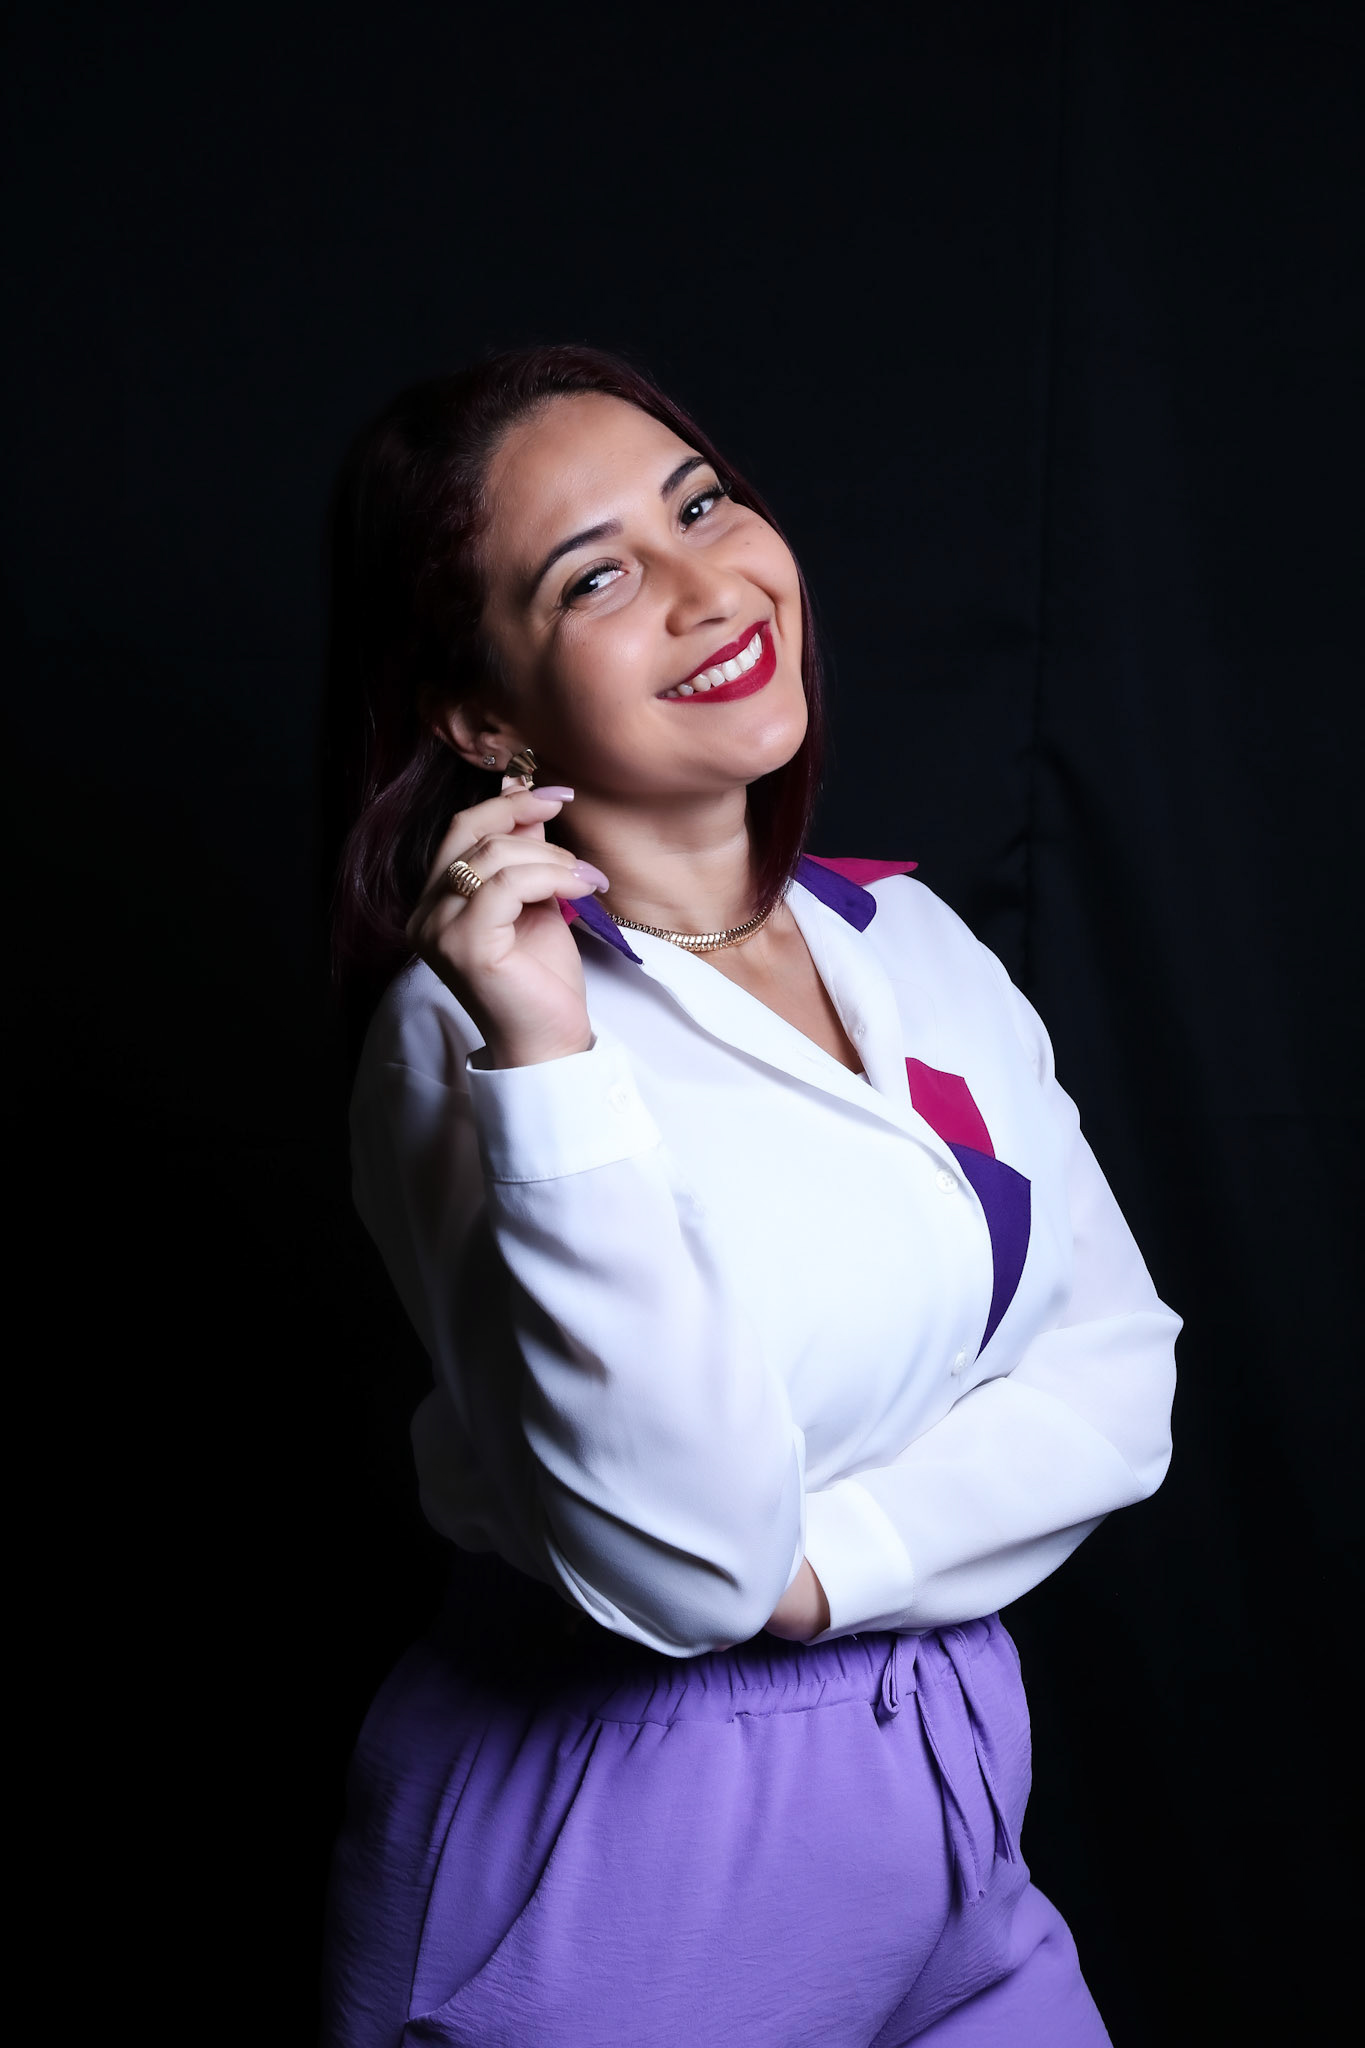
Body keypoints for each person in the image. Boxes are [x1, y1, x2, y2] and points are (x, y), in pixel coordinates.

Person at [317, 343, 1180, 2047]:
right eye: (595, 577)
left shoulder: (910, 941)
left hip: (942, 1772)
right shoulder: (468, 1040)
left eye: (701, 504)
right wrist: (545, 1052)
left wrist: (826, 1566)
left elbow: (1118, 1375)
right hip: (624, 1845)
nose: (708, 587)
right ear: (481, 716)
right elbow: (685, 1563)